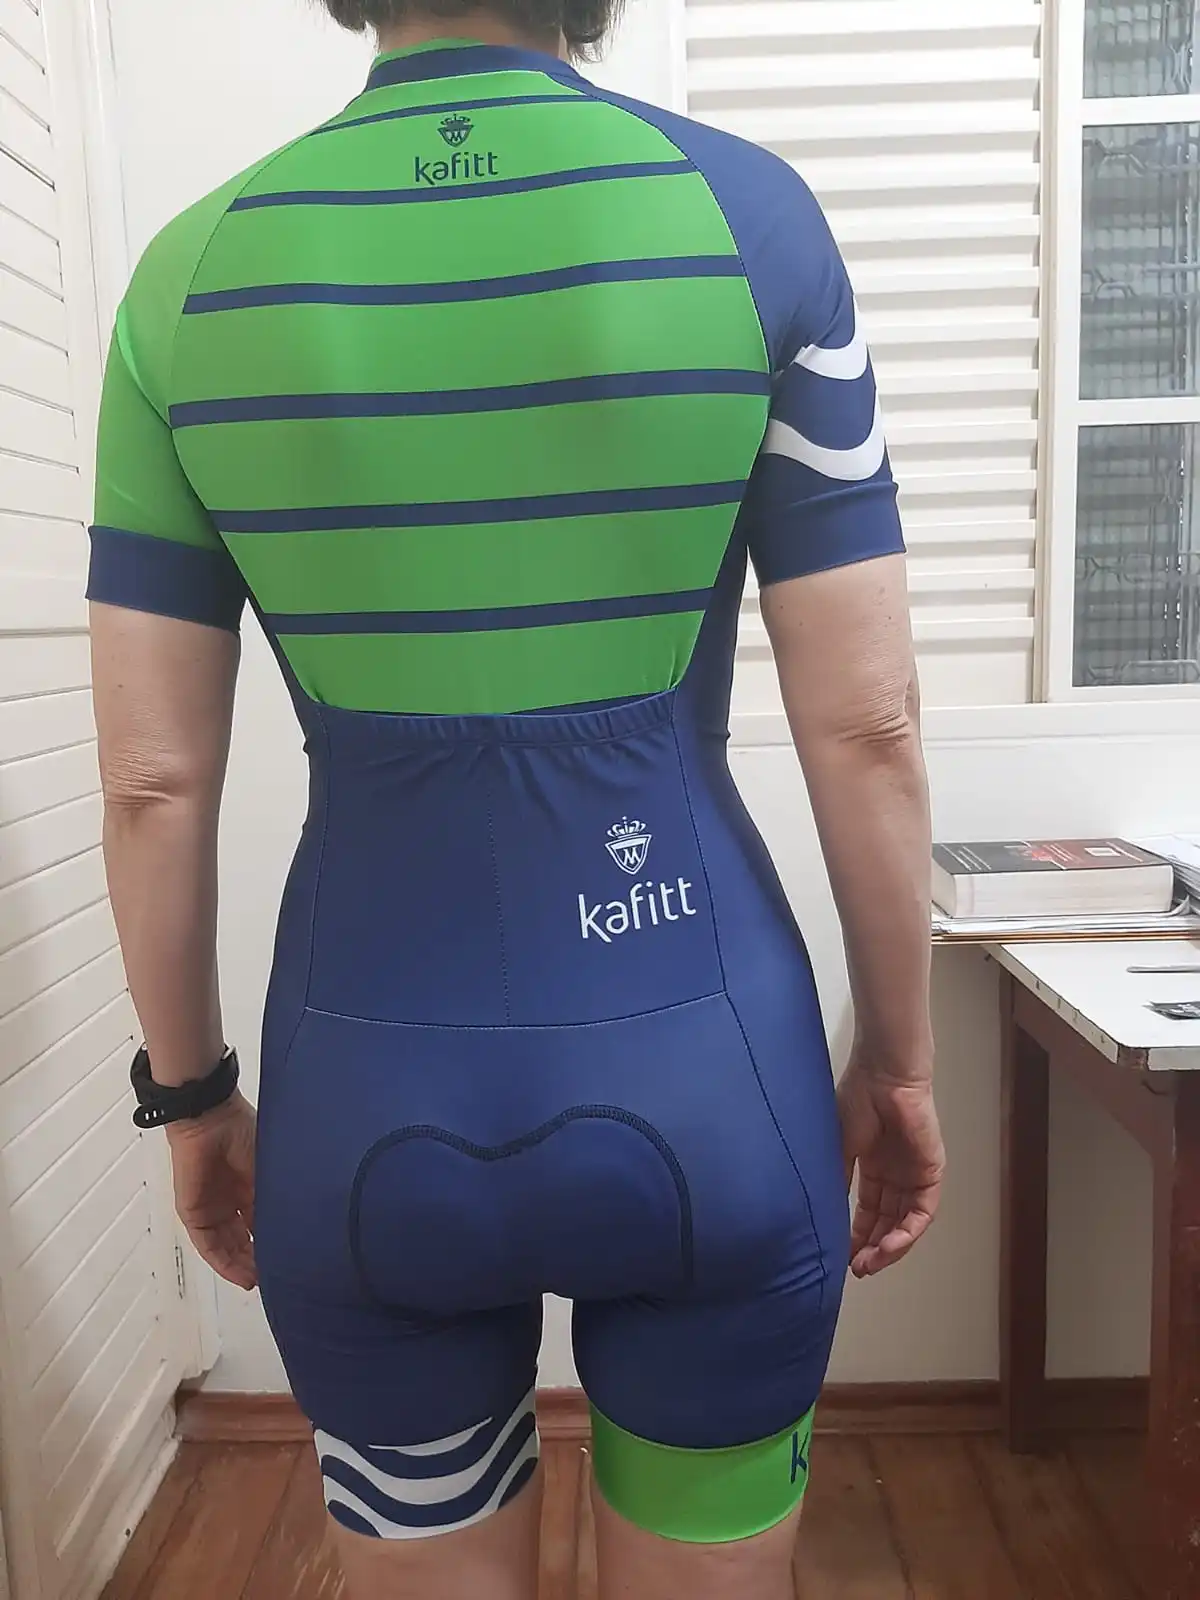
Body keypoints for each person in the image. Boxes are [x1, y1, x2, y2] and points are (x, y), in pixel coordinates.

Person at [86, 1, 944, 1595]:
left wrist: (192, 1102)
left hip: (363, 1088)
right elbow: (870, 724)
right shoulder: (751, 222)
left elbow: (152, 780)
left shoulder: (188, 279)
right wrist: (896, 1059)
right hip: (712, 1066)